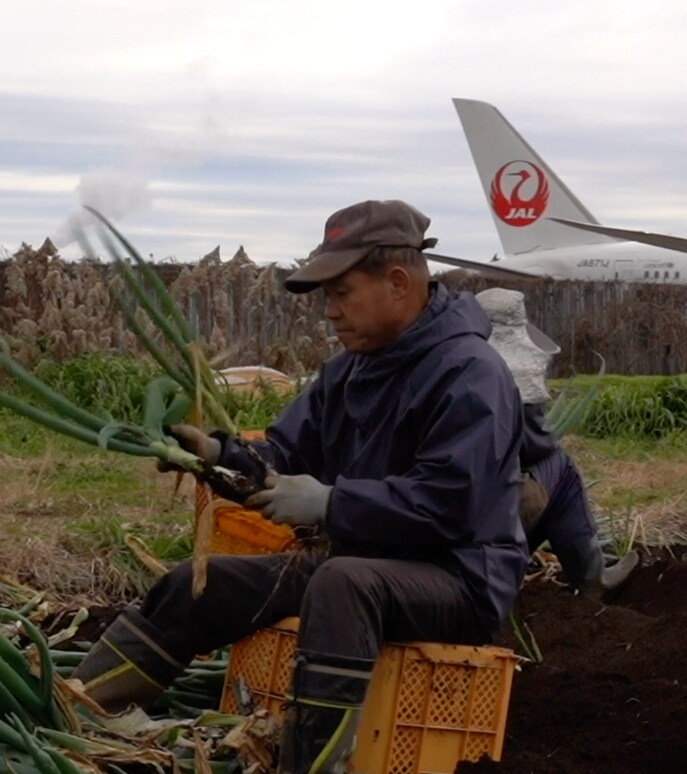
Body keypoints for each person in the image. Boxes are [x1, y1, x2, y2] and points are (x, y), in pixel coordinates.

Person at [73, 200, 528, 773]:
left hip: (458, 580)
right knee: (198, 583)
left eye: (341, 293)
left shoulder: (470, 372)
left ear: (397, 282)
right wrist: (216, 455)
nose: (330, 313)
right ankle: (78, 720)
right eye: (326, 298)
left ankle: (310, 765)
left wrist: (332, 502)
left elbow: (451, 505)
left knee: (341, 583)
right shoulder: (349, 372)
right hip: (364, 563)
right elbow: (281, 456)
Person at [474, 288, 638, 594]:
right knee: (561, 467)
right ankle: (594, 579)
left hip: (426, 514)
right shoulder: (509, 372)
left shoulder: (447, 360)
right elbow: (535, 446)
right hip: (474, 520)